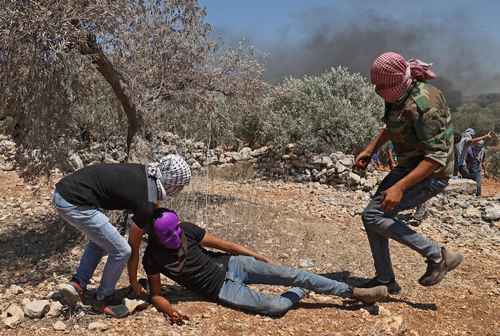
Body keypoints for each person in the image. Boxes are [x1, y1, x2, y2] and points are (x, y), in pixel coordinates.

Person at [143, 208, 388, 323]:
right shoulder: (152, 257)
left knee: (292, 273)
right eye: (169, 232)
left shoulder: (187, 229)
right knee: (275, 306)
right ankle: (302, 290)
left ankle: (354, 293)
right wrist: (169, 310)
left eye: (176, 227)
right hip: (221, 290)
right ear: (155, 236)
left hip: (234, 265)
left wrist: (255, 255)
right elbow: (156, 294)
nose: (176, 234)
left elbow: (226, 245)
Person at [355, 52, 463, 294]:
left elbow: (436, 158)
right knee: (372, 216)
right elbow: (393, 125)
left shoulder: (425, 105)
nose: (378, 91)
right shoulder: (399, 93)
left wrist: (399, 187)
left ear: (397, 82)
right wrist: (370, 149)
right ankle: (385, 280)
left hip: (430, 174)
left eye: (382, 86)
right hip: (410, 165)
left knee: (373, 216)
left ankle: (438, 256)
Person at [53, 154, 191, 317]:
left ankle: (78, 283)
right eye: (180, 186)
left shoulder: (147, 174)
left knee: (102, 240)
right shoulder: (147, 201)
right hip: (74, 201)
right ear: (172, 182)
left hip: (65, 192)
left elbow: (145, 200)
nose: (180, 190)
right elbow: (133, 246)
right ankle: (104, 298)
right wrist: (133, 282)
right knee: (121, 250)